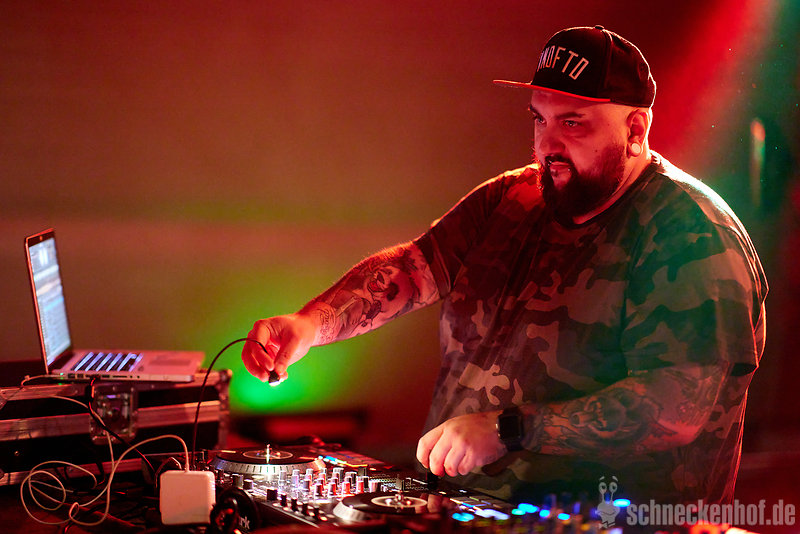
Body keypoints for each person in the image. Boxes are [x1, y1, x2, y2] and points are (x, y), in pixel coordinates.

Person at [241, 25, 767, 506]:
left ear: (635, 129)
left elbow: (675, 409)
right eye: (539, 120)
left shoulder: (692, 234)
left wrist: (508, 430)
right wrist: (310, 325)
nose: (547, 145)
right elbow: (412, 269)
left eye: (572, 123)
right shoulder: (514, 196)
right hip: (464, 507)